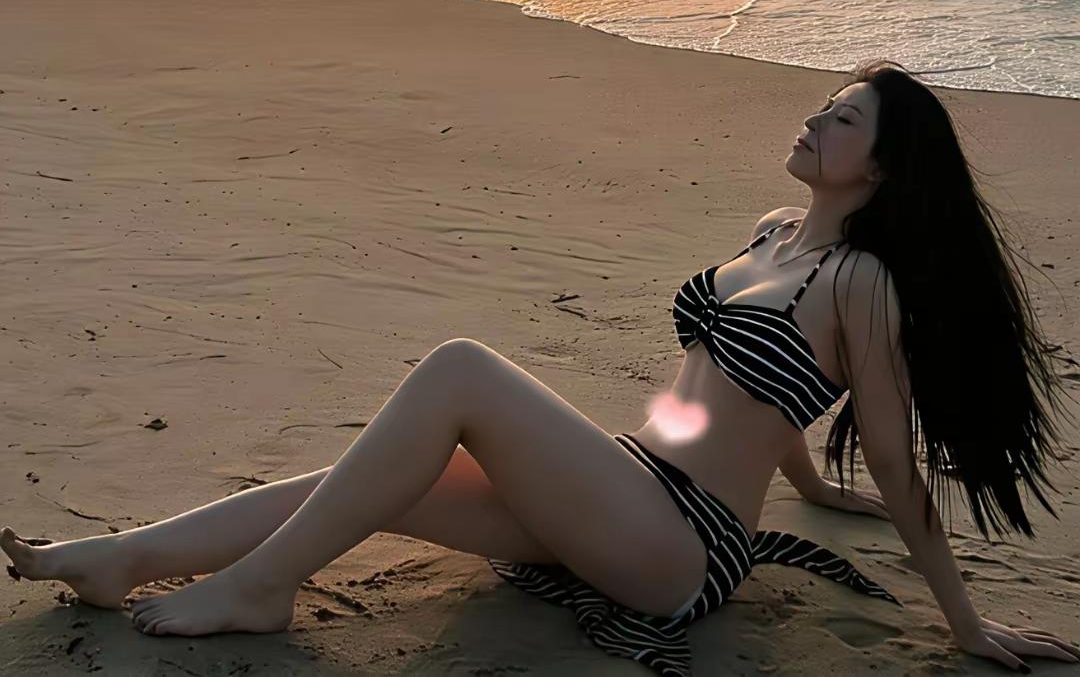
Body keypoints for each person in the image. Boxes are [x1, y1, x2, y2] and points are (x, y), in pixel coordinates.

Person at [3, 61, 1077, 674]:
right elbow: (755, 391)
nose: (813, 118)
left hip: (679, 546)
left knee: (461, 370)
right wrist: (806, 487)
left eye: (841, 119)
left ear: (881, 166)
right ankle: (127, 557)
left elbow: (892, 458)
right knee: (381, 479)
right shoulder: (769, 232)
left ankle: (258, 586)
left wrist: (965, 622)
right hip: (623, 487)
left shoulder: (861, 282)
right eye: (824, 104)